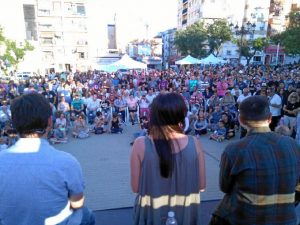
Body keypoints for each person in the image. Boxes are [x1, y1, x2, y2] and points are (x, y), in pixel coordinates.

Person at [0, 93, 95, 225]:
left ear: (14, 124)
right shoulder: (67, 162)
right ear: (50, 122)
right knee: (86, 214)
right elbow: (77, 203)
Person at [209, 96, 300, 225]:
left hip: (247, 219)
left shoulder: (234, 149)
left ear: (241, 120)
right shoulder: (292, 144)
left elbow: (225, 187)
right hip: (286, 219)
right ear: (269, 118)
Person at [131, 93, 206, 225]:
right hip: (185, 213)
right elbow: (202, 186)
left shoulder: (140, 144)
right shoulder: (195, 143)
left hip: (151, 213)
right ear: (182, 115)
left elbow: (136, 188)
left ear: (153, 115)